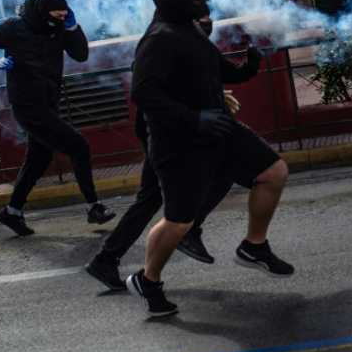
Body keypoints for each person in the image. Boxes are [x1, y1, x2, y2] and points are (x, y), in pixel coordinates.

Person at [126, 0, 292, 317]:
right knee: (179, 221)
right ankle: (148, 280)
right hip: (178, 141)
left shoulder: (189, 30)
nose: (202, 2)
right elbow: (143, 92)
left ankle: (254, 246)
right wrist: (192, 118)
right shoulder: (159, 38)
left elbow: (219, 70)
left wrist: (250, 63)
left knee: (273, 173)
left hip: (217, 127)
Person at [85, 16, 263, 292]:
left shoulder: (197, 43)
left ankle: (107, 259)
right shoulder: (164, 42)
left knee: (157, 196)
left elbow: (225, 73)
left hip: (176, 132)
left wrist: (251, 62)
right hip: (162, 132)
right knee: (219, 173)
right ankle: (183, 233)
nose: (204, 20)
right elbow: (156, 88)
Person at [0, 0, 116, 234]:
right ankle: (94, 207)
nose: (61, 19)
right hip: (27, 104)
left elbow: (80, 55)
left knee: (39, 158)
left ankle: (12, 212)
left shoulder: (60, 27)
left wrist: (73, 29)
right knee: (78, 146)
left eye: (64, 15)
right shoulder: (14, 27)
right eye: (57, 15)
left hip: (49, 101)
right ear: (43, 12)